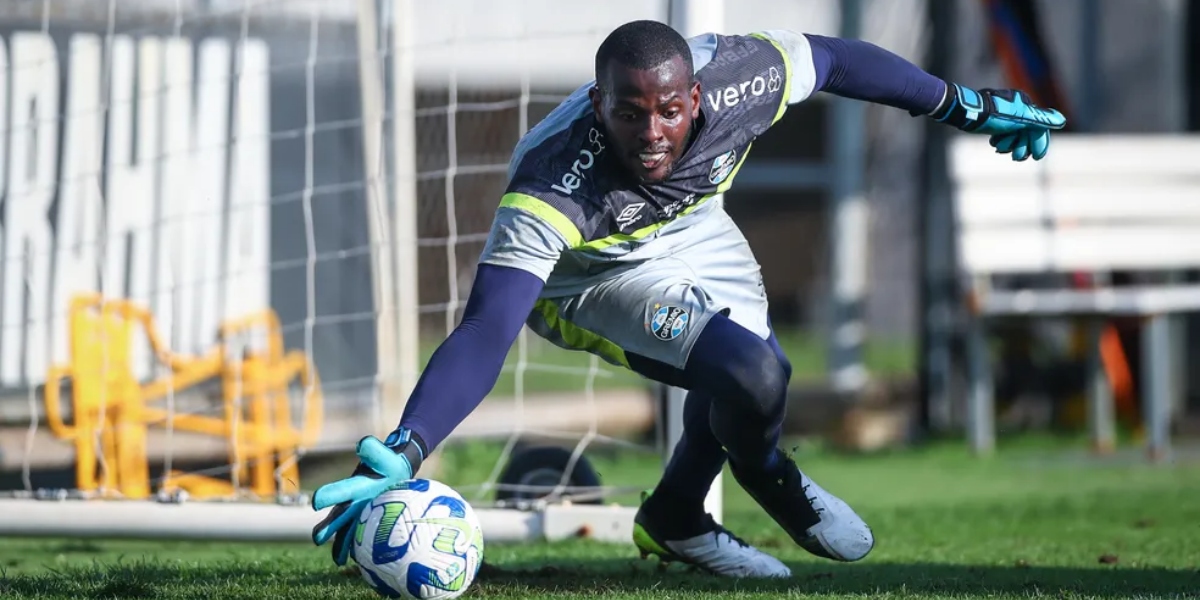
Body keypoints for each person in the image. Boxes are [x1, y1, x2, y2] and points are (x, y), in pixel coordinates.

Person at [311, 20, 1065, 578]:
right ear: (595, 105)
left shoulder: (743, 78)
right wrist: (409, 444)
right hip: (593, 278)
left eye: (668, 110)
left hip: (696, 230)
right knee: (755, 375)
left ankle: (674, 516)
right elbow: (485, 328)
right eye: (627, 113)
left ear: (696, 96)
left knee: (752, 371)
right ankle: (772, 478)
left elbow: (833, 59)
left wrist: (957, 103)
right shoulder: (552, 186)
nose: (650, 132)